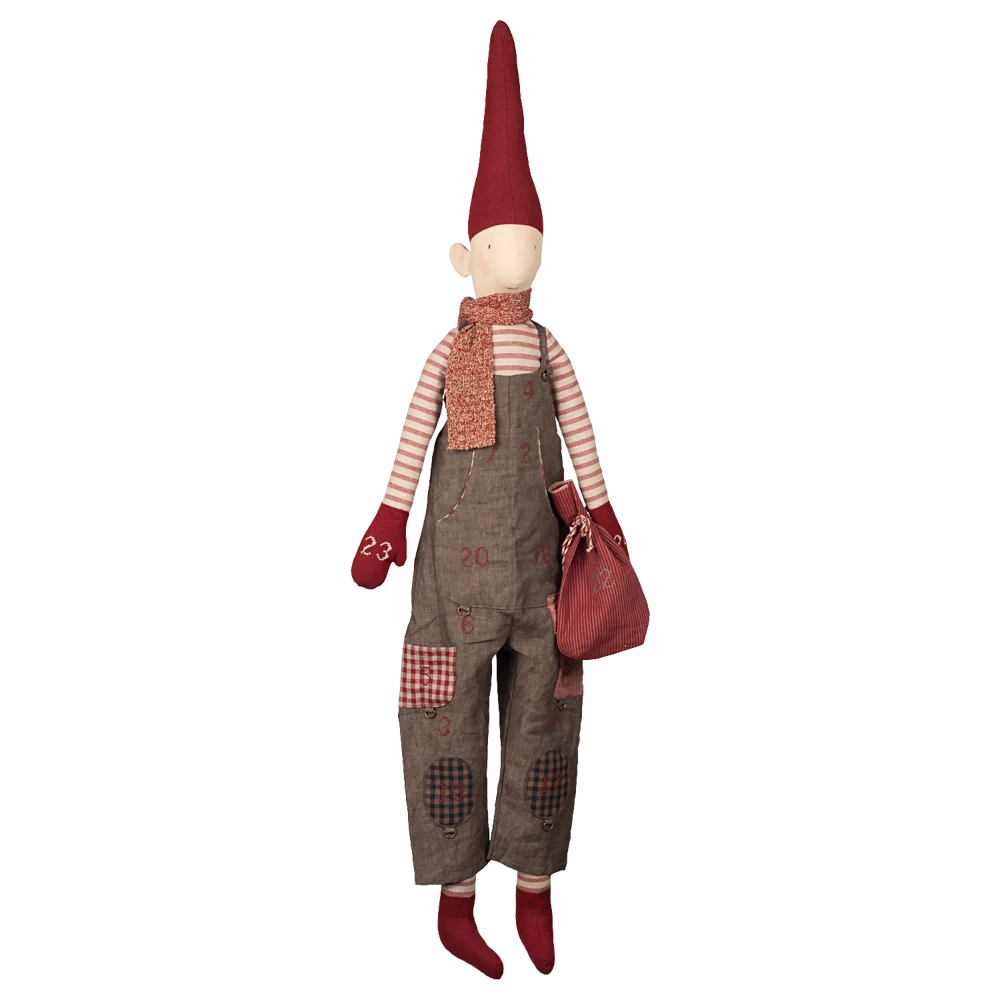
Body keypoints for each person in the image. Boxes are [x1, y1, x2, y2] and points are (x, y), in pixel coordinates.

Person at [349, 19, 627, 980]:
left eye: (530, 243)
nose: (522, 257)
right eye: (506, 243)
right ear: (465, 255)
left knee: (546, 731)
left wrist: (607, 522)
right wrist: (390, 527)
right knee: (445, 733)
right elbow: (408, 448)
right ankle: (456, 901)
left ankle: (536, 893)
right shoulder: (444, 355)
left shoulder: (550, 352)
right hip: (448, 588)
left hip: (544, 582)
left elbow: (582, 440)